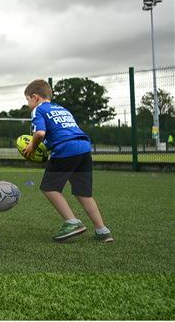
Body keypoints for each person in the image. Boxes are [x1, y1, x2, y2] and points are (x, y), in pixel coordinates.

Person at [22, 79, 113, 243]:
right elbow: (63, 131)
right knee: (83, 193)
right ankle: (102, 230)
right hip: (84, 148)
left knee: (49, 188)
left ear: (35, 97)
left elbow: (40, 133)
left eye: (27, 99)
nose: (28, 103)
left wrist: (32, 148)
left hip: (66, 149)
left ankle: (72, 222)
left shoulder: (38, 110)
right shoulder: (63, 109)